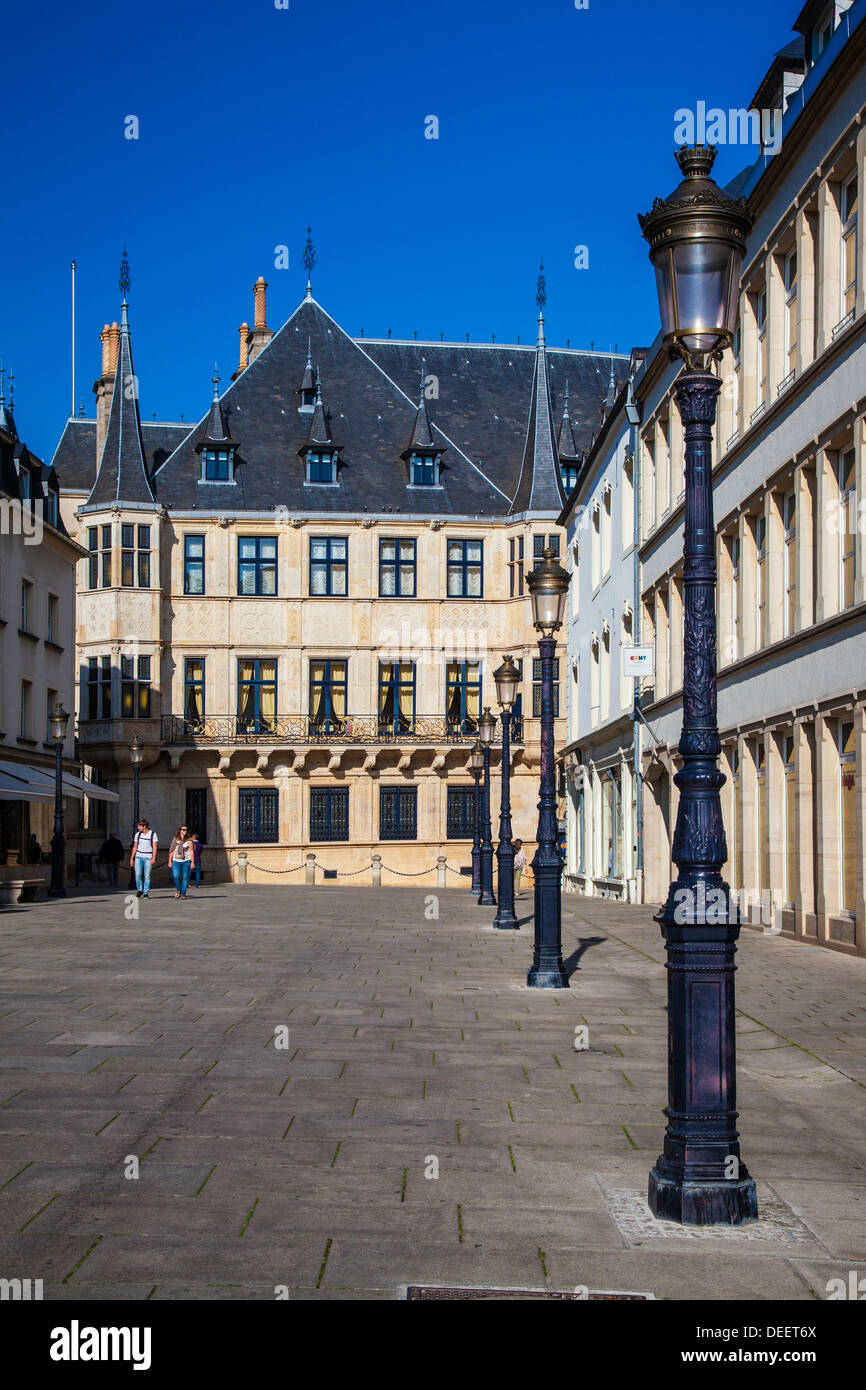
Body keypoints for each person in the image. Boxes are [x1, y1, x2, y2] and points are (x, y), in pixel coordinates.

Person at [130, 819, 158, 898]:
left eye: (139, 826)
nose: (138, 827)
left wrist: (153, 858)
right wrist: (132, 858)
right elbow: (135, 846)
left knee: (147, 875)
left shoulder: (153, 834)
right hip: (138, 856)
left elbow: (155, 847)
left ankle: (146, 892)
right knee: (138, 874)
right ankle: (139, 889)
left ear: (144, 826)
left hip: (148, 857)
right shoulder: (138, 835)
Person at [167, 825, 193, 900]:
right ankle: (179, 889)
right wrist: (169, 861)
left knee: (184, 877)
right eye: (183, 829)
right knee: (176, 876)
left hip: (186, 860)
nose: (185, 831)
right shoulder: (175, 839)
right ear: (180, 830)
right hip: (176, 860)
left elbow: (191, 851)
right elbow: (171, 850)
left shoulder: (189, 840)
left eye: (186, 830)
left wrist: (192, 862)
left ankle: (183, 893)